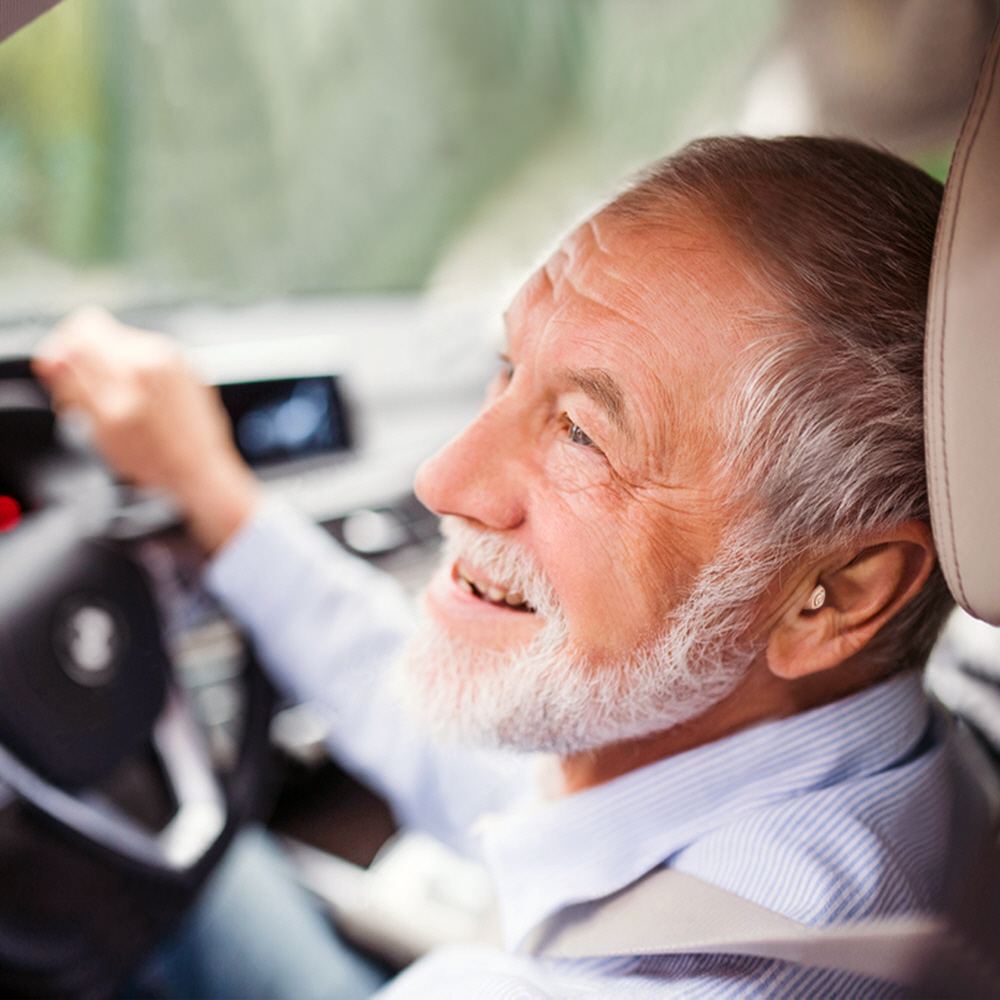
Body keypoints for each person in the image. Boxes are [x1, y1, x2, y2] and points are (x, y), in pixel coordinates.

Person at [34, 135, 980, 997]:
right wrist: (219, 502)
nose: (443, 477)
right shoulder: (879, 751)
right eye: (506, 365)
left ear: (836, 597)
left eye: (581, 435)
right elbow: (466, 761)